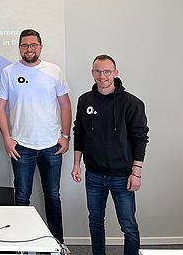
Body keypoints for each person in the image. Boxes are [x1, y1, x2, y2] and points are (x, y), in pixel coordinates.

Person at [0, 29, 71, 245]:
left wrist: (65, 136)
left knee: (53, 196)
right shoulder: (9, 72)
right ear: (19, 48)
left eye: (33, 45)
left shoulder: (54, 70)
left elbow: (65, 104)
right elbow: (0, 107)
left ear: (40, 46)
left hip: (51, 145)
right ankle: (22, 244)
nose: (29, 49)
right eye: (25, 45)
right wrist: (7, 139)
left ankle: (57, 244)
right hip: (21, 146)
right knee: (21, 197)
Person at [72, 55, 149, 255]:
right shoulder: (84, 100)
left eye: (107, 71)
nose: (102, 76)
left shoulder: (132, 103)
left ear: (115, 73)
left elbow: (140, 139)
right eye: (98, 71)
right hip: (94, 174)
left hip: (122, 176)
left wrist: (136, 173)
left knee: (128, 225)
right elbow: (79, 133)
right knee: (95, 221)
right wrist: (76, 164)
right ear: (92, 73)